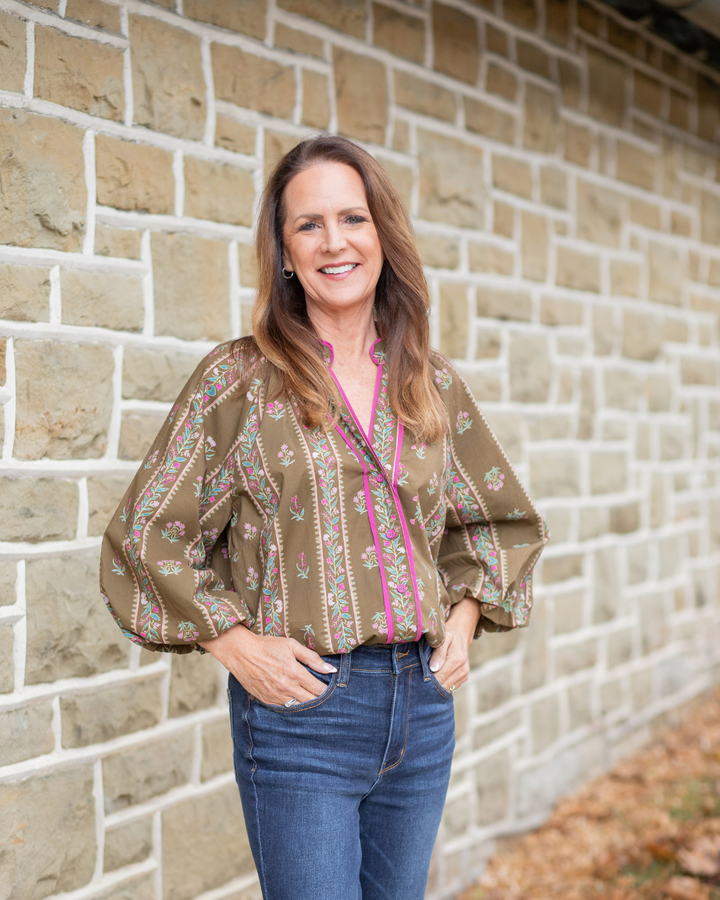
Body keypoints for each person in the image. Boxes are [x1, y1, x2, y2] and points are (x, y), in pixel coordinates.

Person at [101, 135, 548, 900]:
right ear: (283, 251)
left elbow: (496, 523)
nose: (334, 241)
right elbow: (147, 536)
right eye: (309, 225)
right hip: (302, 715)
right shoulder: (237, 380)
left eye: (353, 218)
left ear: (383, 237)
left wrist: (465, 623)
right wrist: (235, 643)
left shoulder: (429, 381)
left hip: (422, 712)